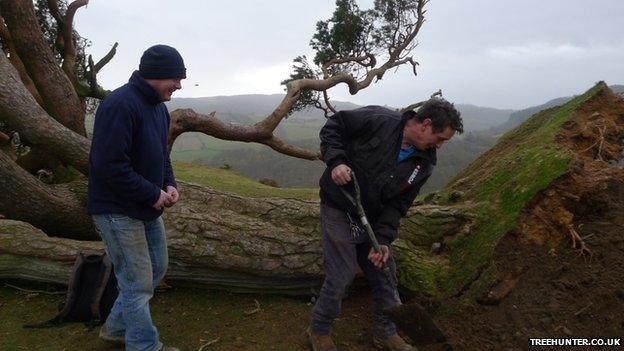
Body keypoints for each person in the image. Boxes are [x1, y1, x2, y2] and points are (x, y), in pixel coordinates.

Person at [308, 99, 463, 351]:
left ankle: (385, 333)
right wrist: (336, 161)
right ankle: (319, 329)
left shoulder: (425, 162)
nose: (441, 146)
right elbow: (334, 126)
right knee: (342, 273)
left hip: (372, 218)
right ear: (426, 124)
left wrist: (382, 239)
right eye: (441, 138)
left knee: (385, 272)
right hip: (339, 205)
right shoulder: (378, 120)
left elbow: (398, 205)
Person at [87, 44, 186, 351]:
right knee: (137, 282)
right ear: (157, 75)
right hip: (116, 210)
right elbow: (109, 166)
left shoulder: (159, 108)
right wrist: (151, 192)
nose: (180, 85)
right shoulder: (120, 104)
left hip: (144, 207)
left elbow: (162, 157)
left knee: (156, 267)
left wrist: (168, 184)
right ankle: (143, 345)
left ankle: (115, 329)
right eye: (176, 78)